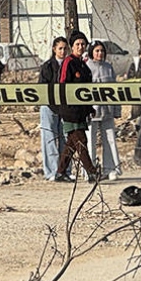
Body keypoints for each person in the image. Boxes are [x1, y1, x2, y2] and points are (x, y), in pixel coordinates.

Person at [50, 32, 99, 183]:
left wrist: (90, 108)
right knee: (80, 140)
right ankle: (92, 172)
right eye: (77, 44)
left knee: (71, 143)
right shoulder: (68, 62)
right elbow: (62, 85)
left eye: (83, 44)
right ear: (72, 46)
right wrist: (66, 107)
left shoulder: (83, 65)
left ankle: (60, 172)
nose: (80, 47)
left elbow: (86, 90)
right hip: (70, 110)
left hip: (81, 110)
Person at [86, 41, 123, 181]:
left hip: (107, 110)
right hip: (92, 111)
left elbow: (115, 89)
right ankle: (90, 170)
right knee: (91, 141)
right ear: (91, 52)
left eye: (101, 51)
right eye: (97, 51)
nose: (99, 53)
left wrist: (117, 109)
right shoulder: (87, 67)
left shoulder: (109, 68)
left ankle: (111, 168)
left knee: (110, 139)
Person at [38, 37, 68, 181]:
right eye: (60, 48)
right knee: (49, 139)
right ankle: (51, 172)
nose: (62, 51)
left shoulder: (70, 65)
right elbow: (42, 88)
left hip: (66, 107)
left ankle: (65, 170)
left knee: (66, 139)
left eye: (64, 48)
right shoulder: (47, 66)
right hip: (49, 107)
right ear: (54, 49)